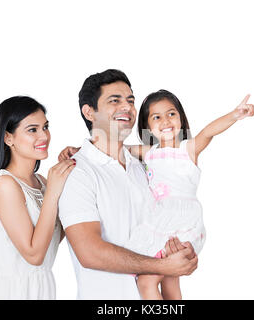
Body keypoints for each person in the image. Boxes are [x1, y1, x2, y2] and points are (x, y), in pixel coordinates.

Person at [57, 69, 198, 300]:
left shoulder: (143, 168)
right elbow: (89, 252)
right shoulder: (77, 172)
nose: (127, 107)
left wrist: (181, 255)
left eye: (130, 101)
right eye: (115, 100)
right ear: (89, 112)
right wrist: (163, 266)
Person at [119, 89, 254, 299]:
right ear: (148, 127)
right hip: (159, 222)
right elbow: (115, 149)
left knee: (147, 280)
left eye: (171, 114)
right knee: (170, 279)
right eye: (157, 117)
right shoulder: (149, 152)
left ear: (181, 118)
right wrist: (77, 150)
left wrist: (234, 115)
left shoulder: (187, 149)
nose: (165, 121)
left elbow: (209, 132)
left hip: (181, 222)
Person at [0, 96, 76, 299]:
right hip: (9, 292)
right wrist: (54, 191)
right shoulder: (5, 185)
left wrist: (78, 164)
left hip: (41, 289)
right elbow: (34, 254)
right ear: (8, 138)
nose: (44, 136)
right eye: (32, 130)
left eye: (45, 127)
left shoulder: (42, 182)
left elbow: (54, 236)